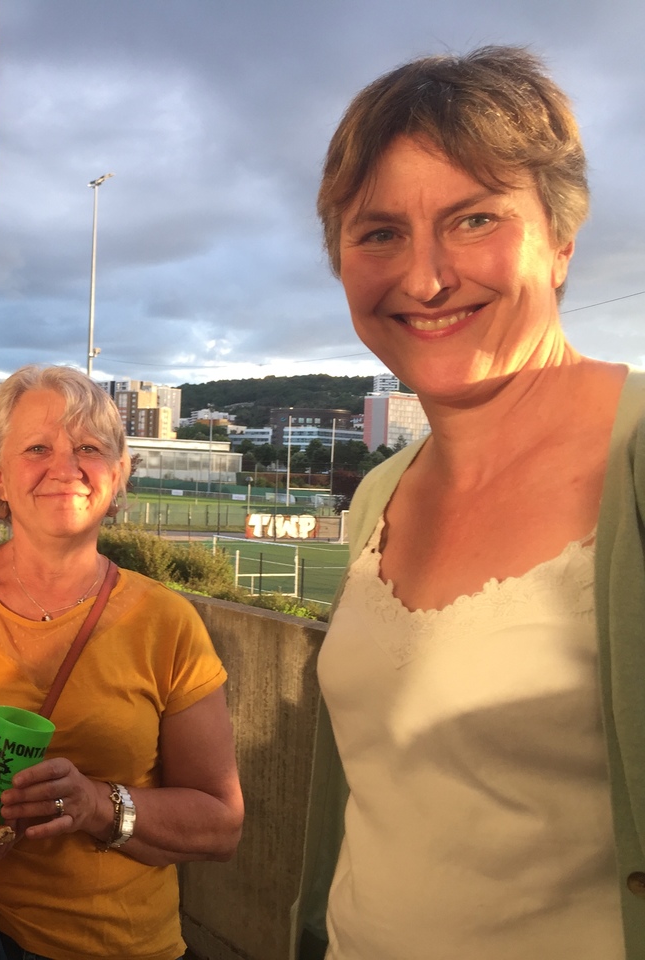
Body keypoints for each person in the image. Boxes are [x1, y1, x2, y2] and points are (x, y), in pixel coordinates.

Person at [299, 46, 643, 959]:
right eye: (379, 233)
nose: (424, 279)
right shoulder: (381, 493)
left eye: (474, 219)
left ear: (561, 241)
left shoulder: (638, 459)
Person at [0, 364, 243, 960]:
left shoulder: (168, 623)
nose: (66, 468)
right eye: (38, 448)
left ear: (117, 475)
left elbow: (220, 825)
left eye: (89, 449)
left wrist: (97, 805)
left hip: (112, 945)